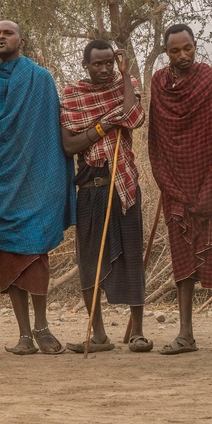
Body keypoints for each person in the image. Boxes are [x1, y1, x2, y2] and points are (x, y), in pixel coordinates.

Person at [0, 21, 75, 355]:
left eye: (8, 33)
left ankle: (42, 328)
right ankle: (24, 335)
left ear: (22, 41)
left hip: (35, 184)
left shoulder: (40, 79)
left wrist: (51, 183)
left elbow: (48, 136)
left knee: (34, 253)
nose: (1, 37)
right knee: (8, 256)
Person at [60, 40, 152, 353]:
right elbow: (70, 145)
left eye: (108, 63)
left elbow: (134, 117)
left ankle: (138, 332)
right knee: (89, 261)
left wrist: (125, 76)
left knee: (131, 255)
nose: (103, 69)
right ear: (86, 65)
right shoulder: (73, 95)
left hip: (123, 184)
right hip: (90, 188)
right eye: (97, 64)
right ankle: (98, 334)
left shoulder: (125, 85)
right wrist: (102, 127)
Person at [149, 25, 212, 355]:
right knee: (182, 260)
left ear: (196, 47)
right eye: (175, 51)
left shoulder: (211, 82)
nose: (183, 55)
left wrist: (211, 188)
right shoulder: (159, 83)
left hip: (209, 182)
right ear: (166, 52)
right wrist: (167, 183)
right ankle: (185, 333)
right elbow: (156, 138)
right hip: (174, 184)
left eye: (188, 49)